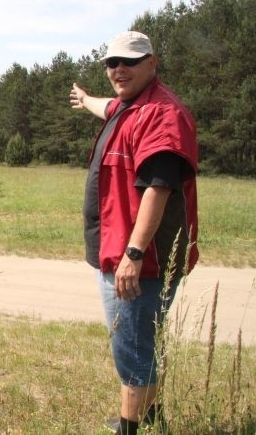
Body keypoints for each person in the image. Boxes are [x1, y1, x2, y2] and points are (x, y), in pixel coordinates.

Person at [70, 31, 199, 435]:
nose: (118, 69)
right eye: (111, 63)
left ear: (152, 63)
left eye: (129, 61)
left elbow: (158, 188)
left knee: (133, 349)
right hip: (116, 251)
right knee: (139, 342)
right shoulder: (130, 107)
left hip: (139, 262)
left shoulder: (162, 115)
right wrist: (85, 100)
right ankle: (151, 417)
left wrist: (134, 253)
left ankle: (129, 429)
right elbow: (107, 106)